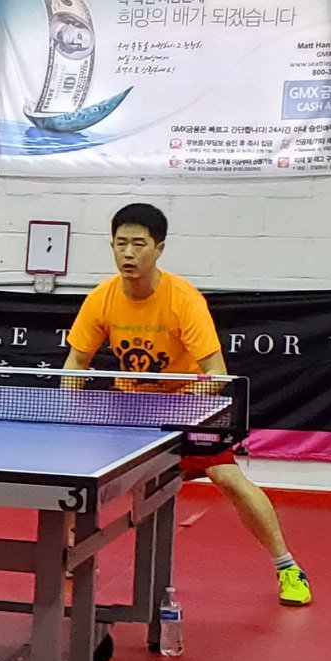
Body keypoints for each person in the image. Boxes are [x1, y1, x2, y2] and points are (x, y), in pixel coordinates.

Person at [64, 203, 312, 607]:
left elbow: (216, 372)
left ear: (159, 248)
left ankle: (287, 567)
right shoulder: (102, 298)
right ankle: (73, 553)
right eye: (121, 243)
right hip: (130, 410)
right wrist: (68, 412)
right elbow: (76, 361)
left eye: (138, 244)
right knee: (81, 476)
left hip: (185, 408)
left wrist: (183, 413)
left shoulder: (183, 300)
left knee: (229, 479)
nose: (128, 253)